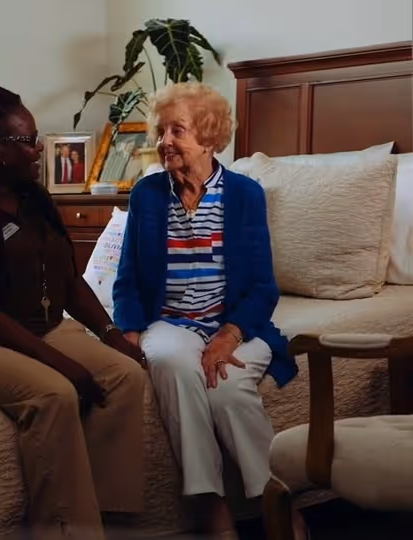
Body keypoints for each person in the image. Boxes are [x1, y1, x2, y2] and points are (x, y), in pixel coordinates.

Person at [0, 85, 147, 540]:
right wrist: (57, 361)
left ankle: (105, 515)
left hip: (43, 326)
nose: (39, 150)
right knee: (54, 394)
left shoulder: (35, 198)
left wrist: (112, 335)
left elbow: (70, 281)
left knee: (126, 377)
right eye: (29, 141)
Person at [111, 82, 307, 540]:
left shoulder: (244, 194)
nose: (165, 142)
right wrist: (130, 330)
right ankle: (210, 505)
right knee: (172, 363)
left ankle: (277, 504)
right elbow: (127, 278)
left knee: (229, 389)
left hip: (233, 321)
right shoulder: (148, 194)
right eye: (162, 131)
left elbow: (262, 286)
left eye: (176, 131)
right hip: (172, 322)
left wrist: (229, 334)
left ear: (210, 137)